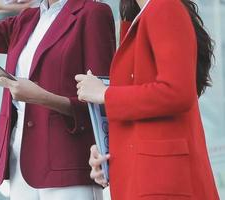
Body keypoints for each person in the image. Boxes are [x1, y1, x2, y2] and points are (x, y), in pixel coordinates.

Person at [0, 0, 116, 199]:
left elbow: (100, 103)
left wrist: (42, 98)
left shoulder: (92, 13)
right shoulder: (26, 20)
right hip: (19, 157)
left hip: (66, 160)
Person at [75, 0, 220, 199]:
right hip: (145, 177)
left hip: (163, 180)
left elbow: (177, 92)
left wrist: (105, 94)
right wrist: (107, 150)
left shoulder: (164, 6)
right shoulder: (142, 15)